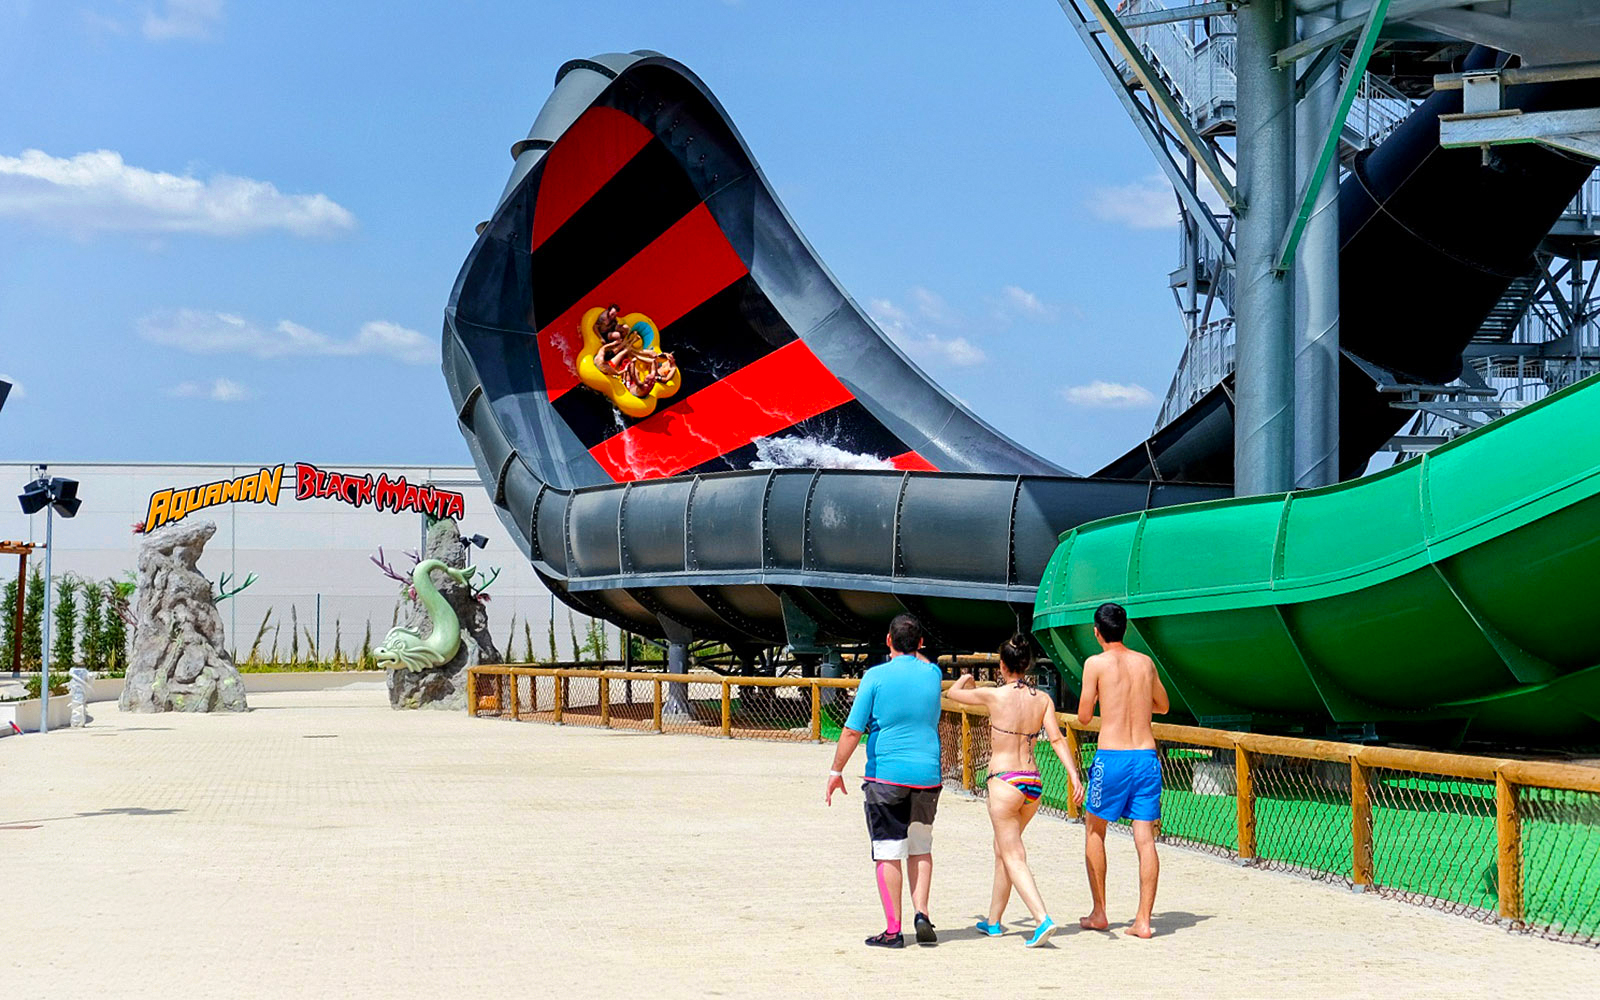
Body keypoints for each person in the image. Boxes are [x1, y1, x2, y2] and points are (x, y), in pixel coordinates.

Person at [946, 635, 1083, 947]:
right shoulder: (1042, 699)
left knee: (1012, 853)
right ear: (1028, 664)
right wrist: (1074, 775)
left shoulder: (995, 695)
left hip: (1004, 780)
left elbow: (954, 694)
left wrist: (966, 678)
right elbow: (1057, 739)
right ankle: (993, 920)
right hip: (1032, 782)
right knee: (1003, 849)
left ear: (1002, 665)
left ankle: (1041, 918)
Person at [824, 614, 944, 949]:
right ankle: (922, 913)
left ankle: (893, 930)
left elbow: (852, 730)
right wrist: (914, 649)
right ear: (921, 644)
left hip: (886, 777)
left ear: (888, 641)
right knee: (920, 846)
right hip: (927, 777)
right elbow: (922, 661)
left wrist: (836, 771)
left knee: (888, 850)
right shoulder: (933, 674)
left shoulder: (875, 677)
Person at [1076, 602, 1168, 938]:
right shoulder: (1145, 663)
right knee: (1145, 839)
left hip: (1112, 756)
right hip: (1145, 755)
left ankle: (1100, 912)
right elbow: (1163, 705)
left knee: (1095, 830)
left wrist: (1102, 698)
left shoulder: (1095, 664)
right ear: (1125, 629)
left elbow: (1084, 716)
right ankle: (1143, 920)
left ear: (1097, 632)